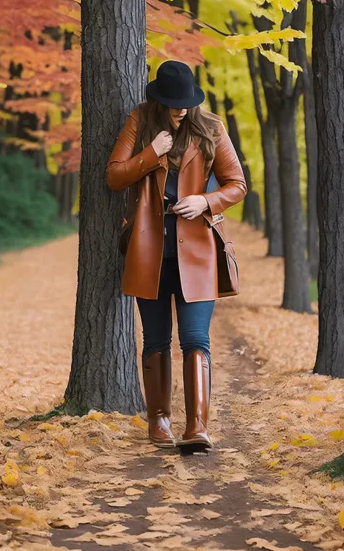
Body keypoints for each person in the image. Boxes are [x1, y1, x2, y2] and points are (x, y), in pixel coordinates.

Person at [106, 60, 247, 451]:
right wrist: (152, 152)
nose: (180, 109)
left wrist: (205, 199)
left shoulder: (211, 128)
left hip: (198, 248)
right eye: (172, 103)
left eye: (185, 102)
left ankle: (197, 427)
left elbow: (237, 185)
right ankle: (160, 421)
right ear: (158, 99)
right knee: (155, 338)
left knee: (195, 338)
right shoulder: (140, 120)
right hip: (149, 248)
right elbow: (115, 175)